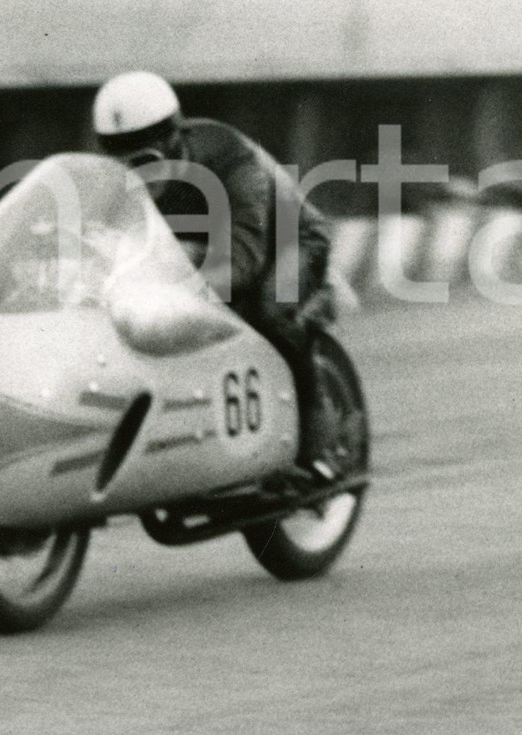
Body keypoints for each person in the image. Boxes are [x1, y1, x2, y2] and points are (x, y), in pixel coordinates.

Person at [92, 71, 338, 481]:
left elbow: (244, 252)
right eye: (123, 165)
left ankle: (317, 446)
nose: (139, 176)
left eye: (146, 162)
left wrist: (178, 278)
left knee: (271, 310)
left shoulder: (229, 157)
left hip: (287, 242)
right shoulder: (119, 184)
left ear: (174, 137)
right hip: (199, 257)